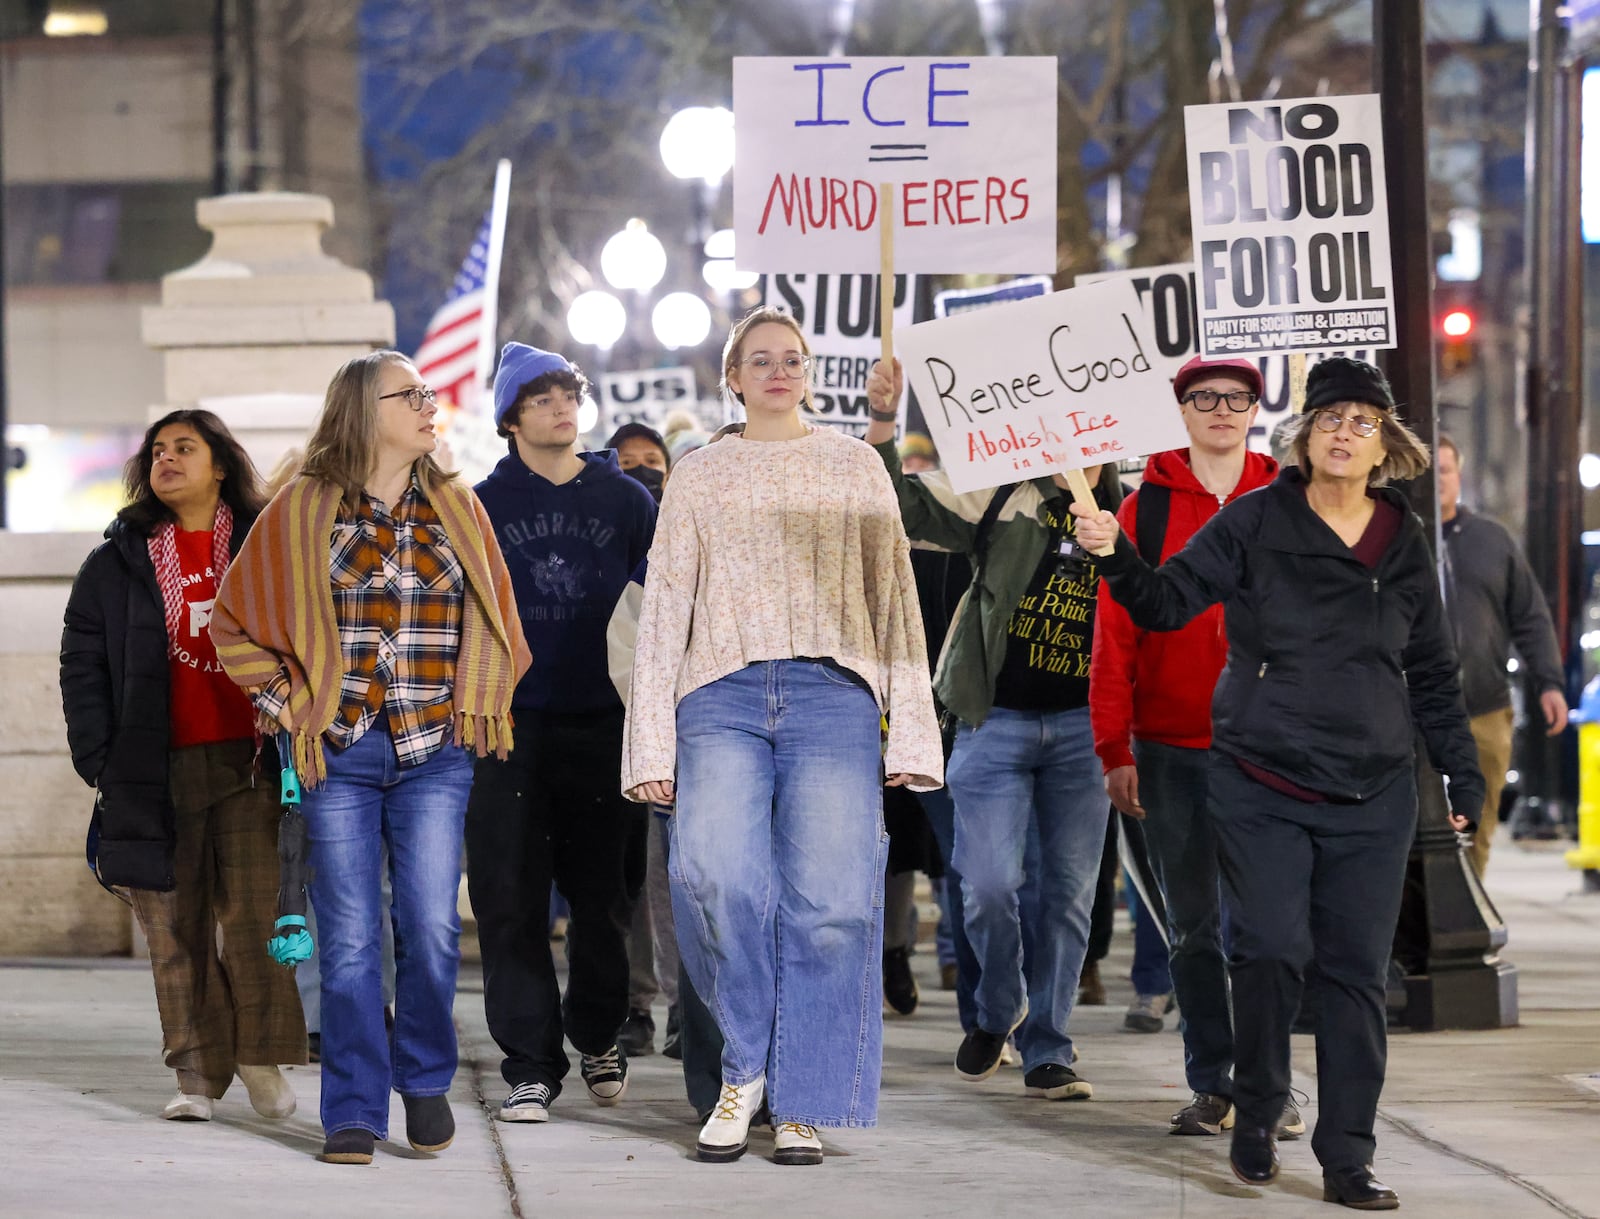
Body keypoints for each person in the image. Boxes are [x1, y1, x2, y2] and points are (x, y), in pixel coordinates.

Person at [1072, 356, 1484, 1211]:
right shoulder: (1255, 520)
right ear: (1302, 436)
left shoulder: (1403, 537)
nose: (1345, 432)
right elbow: (1166, 600)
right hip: (1260, 775)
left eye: (1362, 421)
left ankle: (1347, 1157)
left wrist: (1461, 774)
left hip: (1374, 788)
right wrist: (1113, 554)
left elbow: (1435, 671)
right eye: (1330, 417)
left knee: (1355, 974)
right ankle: (1256, 1106)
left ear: (1383, 443)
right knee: (1265, 950)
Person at [622, 306, 942, 1166]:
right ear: (731, 377)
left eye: (792, 358)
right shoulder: (698, 472)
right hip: (717, 692)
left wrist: (911, 728)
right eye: (759, 359)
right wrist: (649, 742)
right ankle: (744, 1065)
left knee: (833, 901)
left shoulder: (854, 466)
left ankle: (798, 1095)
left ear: (808, 371)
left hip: (833, 692)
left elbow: (895, 598)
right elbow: (664, 617)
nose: (778, 370)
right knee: (712, 872)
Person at [211, 351, 530, 1165]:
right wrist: (289, 708)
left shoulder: (458, 506)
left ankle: (422, 1079)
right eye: (413, 394)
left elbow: (499, 623)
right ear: (364, 409)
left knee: (427, 927)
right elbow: (232, 623)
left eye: (430, 394)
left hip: (436, 749)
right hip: (339, 752)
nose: (431, 405)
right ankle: (352, 1106)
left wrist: (473, 707)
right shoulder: (299, 510)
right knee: (350, 939)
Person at [864, 357, 1125, 1103]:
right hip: (995, 721)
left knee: (1070, 896)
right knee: (983, 884)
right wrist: (884, 420)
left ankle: (1049, 1044)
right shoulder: (1004, 491)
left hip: (1084, 731)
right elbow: (901, 507)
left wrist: (1119, 548)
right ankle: (996, 1006)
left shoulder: (1129, 511)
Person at [60, 409, 306, 1125]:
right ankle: (197, 1073)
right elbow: (82, 661)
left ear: (220, 464)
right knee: (174, 931)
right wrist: (100, 758)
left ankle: (259, 1059)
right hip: (151, 768)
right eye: (157, 450)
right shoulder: (117, 561)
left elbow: (304, 635)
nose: (166, 459)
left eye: (184, 448)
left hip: (253, 762)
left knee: (259, 918)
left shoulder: (263, 547)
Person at [1089, 355, 1282, 1137]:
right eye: (1206, 398)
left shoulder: (1287, 499)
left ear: (1254, 410)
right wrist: (1114, 745)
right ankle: (1214, 1081)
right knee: (1195, 926)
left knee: (1268, 929)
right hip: (1170, 746)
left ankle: (1272, 1083)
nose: (1223, 410)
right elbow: (1116, 631)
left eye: (1238, 398)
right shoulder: (1147, 508)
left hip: (1270, 745)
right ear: (1183, 410)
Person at [467, 343, 657, 1121]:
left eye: (567, 394)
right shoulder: (479, 504)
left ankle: (598, 1032)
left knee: (605, 898)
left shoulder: (627, 501)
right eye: (541, 398)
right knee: (507, 900)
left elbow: (662, 605)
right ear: (512, 416)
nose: (560, 407)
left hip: (606, 721)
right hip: (507, 727)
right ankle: (529, 1062)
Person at [1437, 434, 1567, 875]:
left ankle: (1469, 930)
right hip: (1412, 718)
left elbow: (1530, 617)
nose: (1437, 479)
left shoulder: (1492, 541)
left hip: (1484, 711)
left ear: (1459, 476)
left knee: (1477, 829)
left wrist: (1549, 683)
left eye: (1446, 469)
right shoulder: (1396, 537)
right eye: (1428, 469)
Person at [605, 419, 680, 1056]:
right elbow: (626, 639)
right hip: (622, 729)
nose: (642, 473)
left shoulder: (691, 529)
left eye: (652, 462)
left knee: (684, 881)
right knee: (634, 876)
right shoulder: (612, 528)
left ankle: (691, 1011)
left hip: (702, 735)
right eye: (627, 463)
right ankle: (634, 1003)